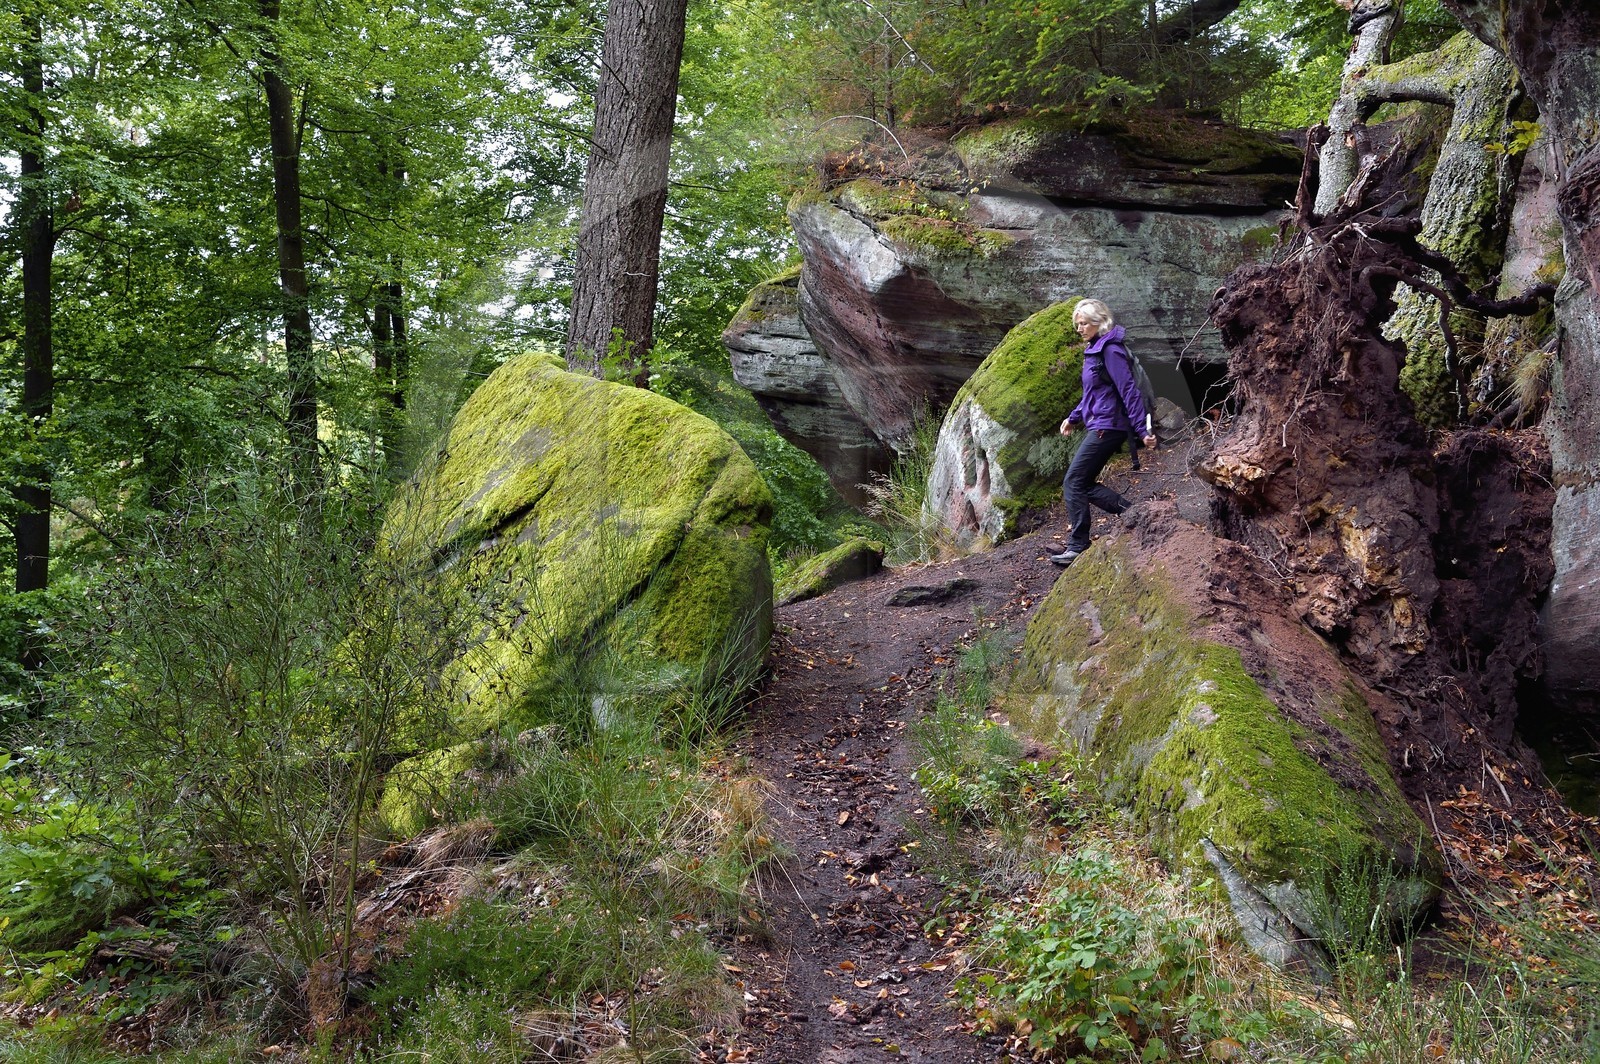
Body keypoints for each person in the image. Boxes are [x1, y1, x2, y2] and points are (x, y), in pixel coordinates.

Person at [1050, 299, 1156, 567]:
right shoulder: (1095, 350)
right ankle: (1133, 513)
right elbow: (1092, 394)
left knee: (1074, 480)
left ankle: (1078, 545)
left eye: (1083, 323)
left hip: (1109, 427)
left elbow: (1128, 391)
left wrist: (1142, 430)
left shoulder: (1110, 350)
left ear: (1099, 322)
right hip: (1100, 424)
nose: (1079, 328)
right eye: (1077, 324)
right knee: (1080, 482)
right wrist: (1073, 418)